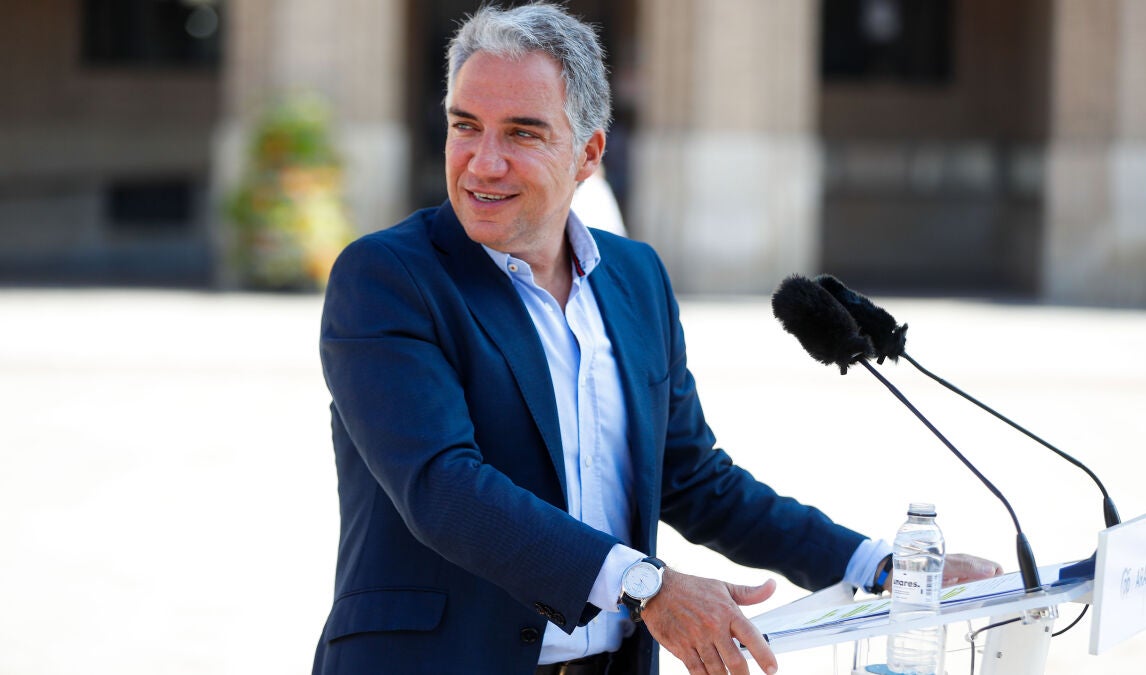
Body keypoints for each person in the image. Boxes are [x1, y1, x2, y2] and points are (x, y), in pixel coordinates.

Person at [311, 4, 1001, 674]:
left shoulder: (635, 277)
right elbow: (444, 488)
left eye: (522, 133)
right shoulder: (387, 277)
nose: (483, 162)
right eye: (466, 126)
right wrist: (647, 585)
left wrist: (878, 565)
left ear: (588, 153)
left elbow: (693, 478)